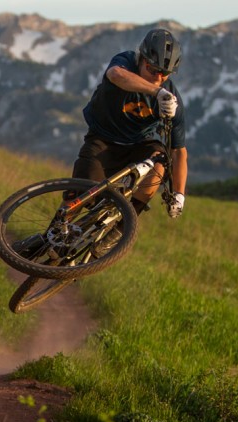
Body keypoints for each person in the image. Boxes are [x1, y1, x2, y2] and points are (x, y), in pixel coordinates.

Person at [73, 28, 188, 256]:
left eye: (164, 74)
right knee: (79, 194)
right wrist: (156, 92)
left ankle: (121, 226)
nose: (158, 77)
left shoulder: (173, 101)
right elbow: (116, 75)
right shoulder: (125, 61)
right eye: (152, 69)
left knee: (159, 164)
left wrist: (180, 194)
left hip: (139, 145)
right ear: (141, 57)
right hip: (102, 140)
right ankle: (53, 235)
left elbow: (179, 152)